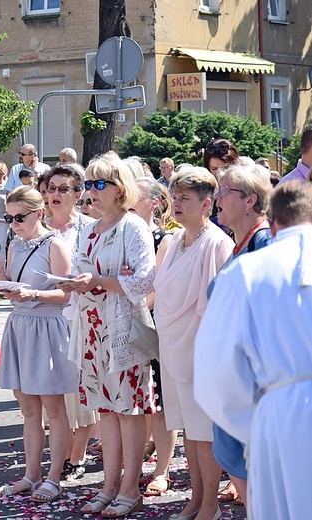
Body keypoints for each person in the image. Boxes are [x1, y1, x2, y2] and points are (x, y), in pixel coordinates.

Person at [194, 180, 312, 520]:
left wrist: (254, 426)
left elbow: (215, 372)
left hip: (282, 414)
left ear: (272, 224)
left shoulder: (244, 272)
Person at [60, 155, 156, 518]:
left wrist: (101, 281)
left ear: (121, 189)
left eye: (100, 184)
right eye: (88, 184)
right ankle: (109, 485)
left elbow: (143, 281)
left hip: (122, 332)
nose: (91, 191)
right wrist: (88, 281)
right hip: (91, 329)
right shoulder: (90, 228)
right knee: (106, 411)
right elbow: (86, 272)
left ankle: (130, 489)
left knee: (128, 412)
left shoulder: (132, 227)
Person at [153, 166, 234, 520]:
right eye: (174, 197)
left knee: (205, 435)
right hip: (173, 347)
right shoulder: (173, 242)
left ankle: (211, 506)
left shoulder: (217, 242)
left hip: (202, 351)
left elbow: (218, 305)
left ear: (207, 203)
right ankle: (196, 499)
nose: (177, 204)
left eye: (185, 198)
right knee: (189, 433)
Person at [0, 186, 77, 502]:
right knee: (28, 408)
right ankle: (31, 475)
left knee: (53, 409)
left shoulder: (54, 244)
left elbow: (67, 293)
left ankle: (54, 477)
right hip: (20, 324)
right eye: (9, 217)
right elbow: (14, 287)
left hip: (47, 326)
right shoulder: (14, 244)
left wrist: (35, 295)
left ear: (38, 213)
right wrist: (0, 277)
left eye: (19, 217)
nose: (14, 223)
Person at [209, 162, 273, 507]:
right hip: (234, 372)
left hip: (256, 375)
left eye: (225, 191)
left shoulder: (264, 242)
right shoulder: (240, 243)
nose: (217, 197)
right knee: (232, 451)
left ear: (250, 200)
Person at [44, 164, 95, 480]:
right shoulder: (36, 228)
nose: (55, 194)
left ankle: (77, 455)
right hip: (45, 320)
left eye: (64, 189)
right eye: (51, 188)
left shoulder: (90, 229)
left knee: (81, 391)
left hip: (80, 317)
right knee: (52, 393)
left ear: (78, 195)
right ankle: (59, 454)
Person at [130, 178, 178, 497]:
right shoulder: (123, 237)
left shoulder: (165, 239)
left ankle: (162, 470)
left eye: (134, 197)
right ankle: (135, 463)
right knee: (136, 403)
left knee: (161, 405)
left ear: (155, 203)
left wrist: (126, 305)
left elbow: (158, 290)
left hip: (151, 328)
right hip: (127, 328)